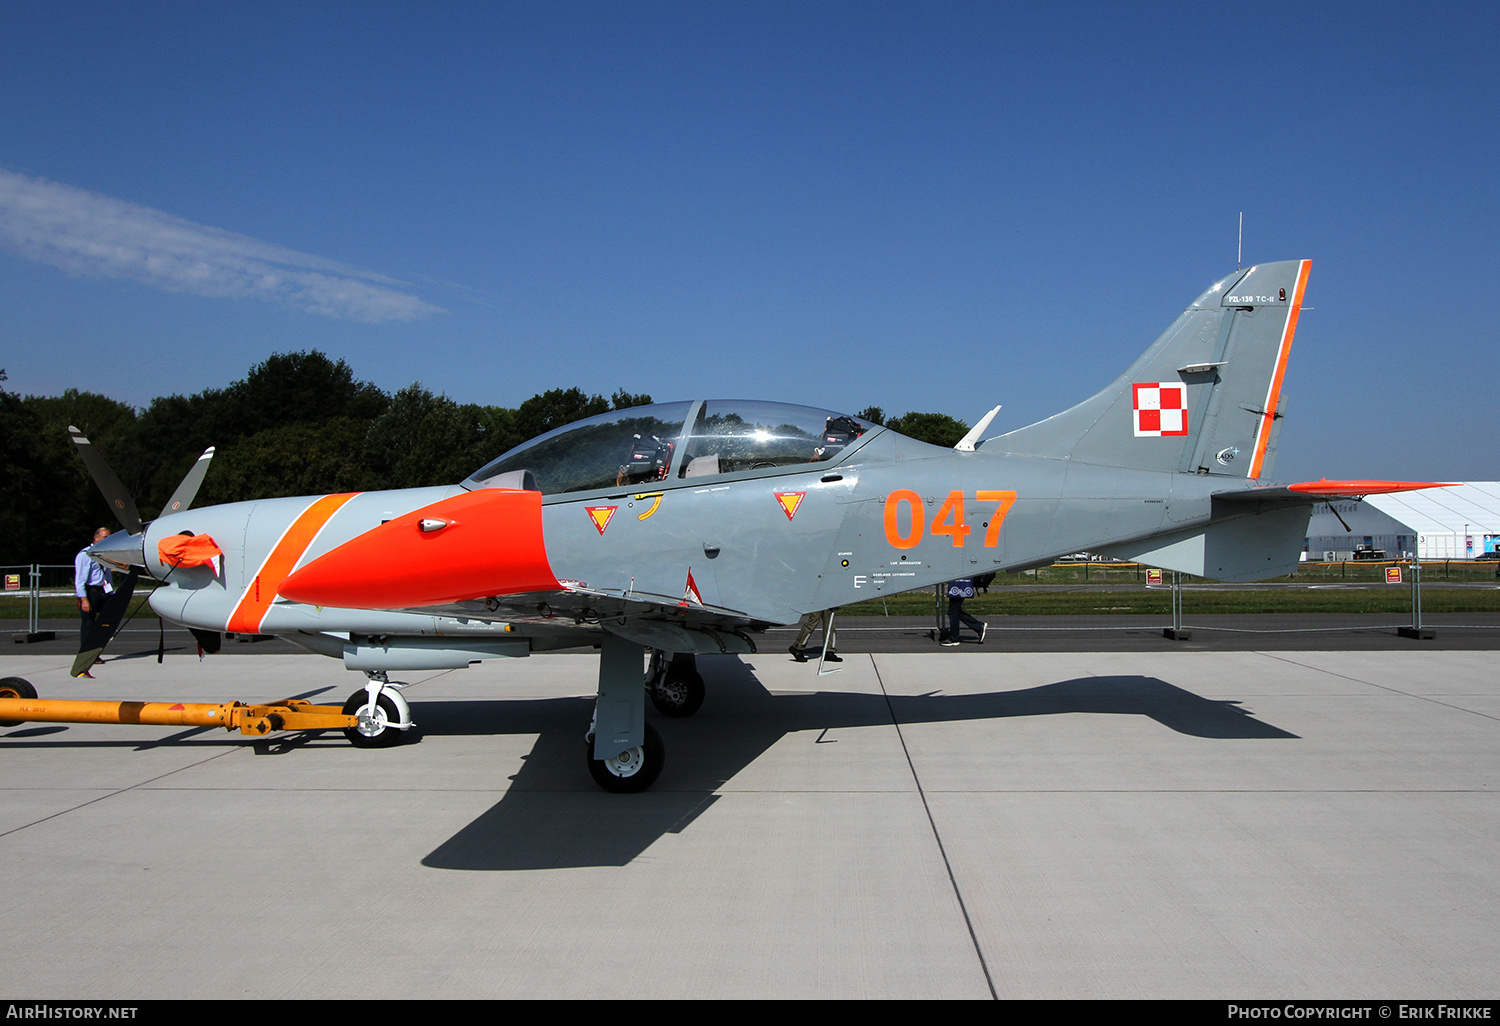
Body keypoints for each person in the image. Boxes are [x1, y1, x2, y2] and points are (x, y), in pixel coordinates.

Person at [75, 527, 114, 669]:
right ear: (96, 538)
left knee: (109, 619)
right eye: (104, 537)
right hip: (90, 591)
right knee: (88, 624)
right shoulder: (85, 555)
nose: (107, 540)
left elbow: (107, 574)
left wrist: (111, 593)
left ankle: (98, 646)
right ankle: (87, 655)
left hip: (103, 590)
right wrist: (84, 599)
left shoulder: (103, 554)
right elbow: (80, 580)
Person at [942, 578, 986, 646]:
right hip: (961, 583)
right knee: (955, 612)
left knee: (953, 613)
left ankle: (954, 638)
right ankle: (978, 627)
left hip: (959, 583)